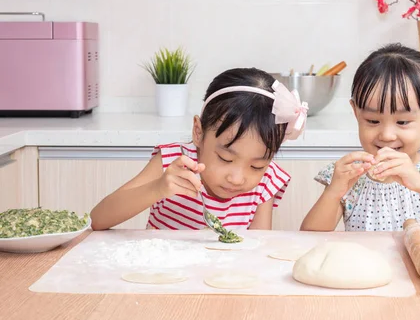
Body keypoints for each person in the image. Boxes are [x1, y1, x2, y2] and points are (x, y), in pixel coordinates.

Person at [301, 43, 420, 232]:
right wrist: (335, 191)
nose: (386, 135)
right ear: (356, 113)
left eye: (402, 122)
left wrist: (418, 181)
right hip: (366, 265)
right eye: (373, 120)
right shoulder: (350, 174)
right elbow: (311, 235)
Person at [91, 67, 308, 231]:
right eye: (225, 158)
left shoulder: (266, 180)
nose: (237, 178)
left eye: (256, 165)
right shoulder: (172, 161)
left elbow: (258, 248)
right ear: (198, 131)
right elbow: (98, 219)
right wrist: (157, 188)